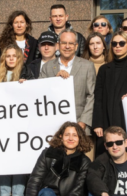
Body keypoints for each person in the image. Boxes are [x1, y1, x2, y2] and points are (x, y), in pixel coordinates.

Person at [40, 30, 97, 160]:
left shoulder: (87, 66)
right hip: (54, 131)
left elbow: (91, 95)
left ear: (76, 46)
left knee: (82, 171)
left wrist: (82, 122)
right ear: (58, 45)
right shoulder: (47, 67)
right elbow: (41, 94)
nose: (67, 46)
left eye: (71, 43)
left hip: (81, 129)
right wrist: (54, 80)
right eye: (64, 43)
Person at [0, 44, 32, 196]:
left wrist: (26, 85)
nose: (10, 59)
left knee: (18, 166)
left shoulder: (27, 74)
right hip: (2, 129)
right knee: (3, 166)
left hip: (21, 128)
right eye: (7, 56)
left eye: (14, 56)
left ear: (19, 58)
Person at [92, 31, 127, 149]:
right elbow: (98, 99)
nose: (117, 46)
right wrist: (98, 124)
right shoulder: (104, 69)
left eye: (122, 43)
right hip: (107, 121)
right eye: (114, 43)